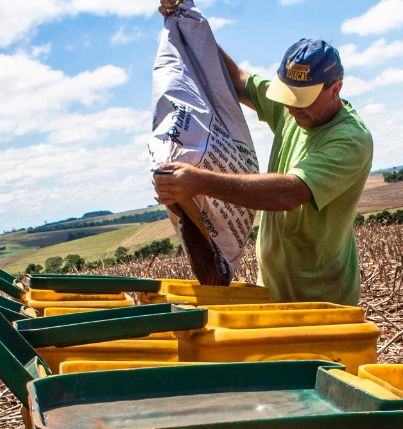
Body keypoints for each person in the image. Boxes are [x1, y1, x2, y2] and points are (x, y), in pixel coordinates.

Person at [152, 30, 373, 306]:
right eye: (287, 96)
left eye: (301, 99)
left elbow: (289, 193)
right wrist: (188, 22)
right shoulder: (295, 107)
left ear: (335, 88)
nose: (291, 108)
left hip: (321, 298)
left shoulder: (349, 139)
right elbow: (236, 80)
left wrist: (201, 182)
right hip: (273, 289)